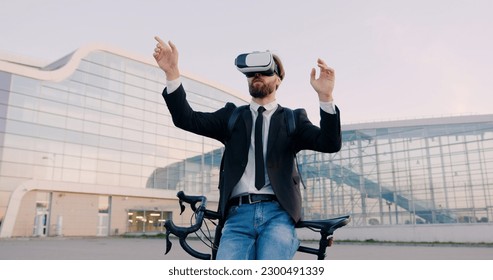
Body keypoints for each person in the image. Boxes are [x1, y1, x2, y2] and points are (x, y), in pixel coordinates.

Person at [153, 36, 342, 260]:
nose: (257, 76)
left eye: (265, 71)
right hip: (237, 216)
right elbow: (187, 119)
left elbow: (330, 144)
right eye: (252, 73)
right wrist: (172, 73)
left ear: (278, 80)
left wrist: (325, 97)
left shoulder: (293, 119)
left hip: (278, 214)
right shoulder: (231, 116)